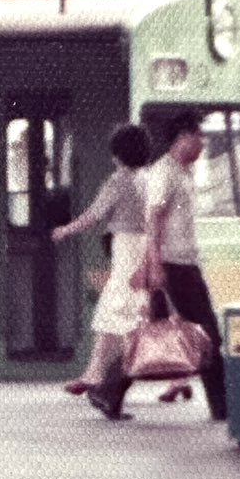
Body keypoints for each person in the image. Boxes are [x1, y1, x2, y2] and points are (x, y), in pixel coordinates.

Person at [89, 111, 227, 423]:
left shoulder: (183, 172)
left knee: (152, 334)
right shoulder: (165, 172)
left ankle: (108, 390)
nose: (203, 143)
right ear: (184, 137)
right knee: (207, 334)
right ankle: (224, 408)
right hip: (173, 266)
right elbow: (154, 220)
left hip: (183, 263)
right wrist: (153, 265)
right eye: (199, 136)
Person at [51, 125, 153, 398]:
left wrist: (65, 230)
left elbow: (94, 216)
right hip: (146, 247)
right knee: (128, 310)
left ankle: (98, 373)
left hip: (127, 249)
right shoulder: (149, 178)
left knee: (114, 310)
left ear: (119, 154)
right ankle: (96, 371)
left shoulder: (119, 181)